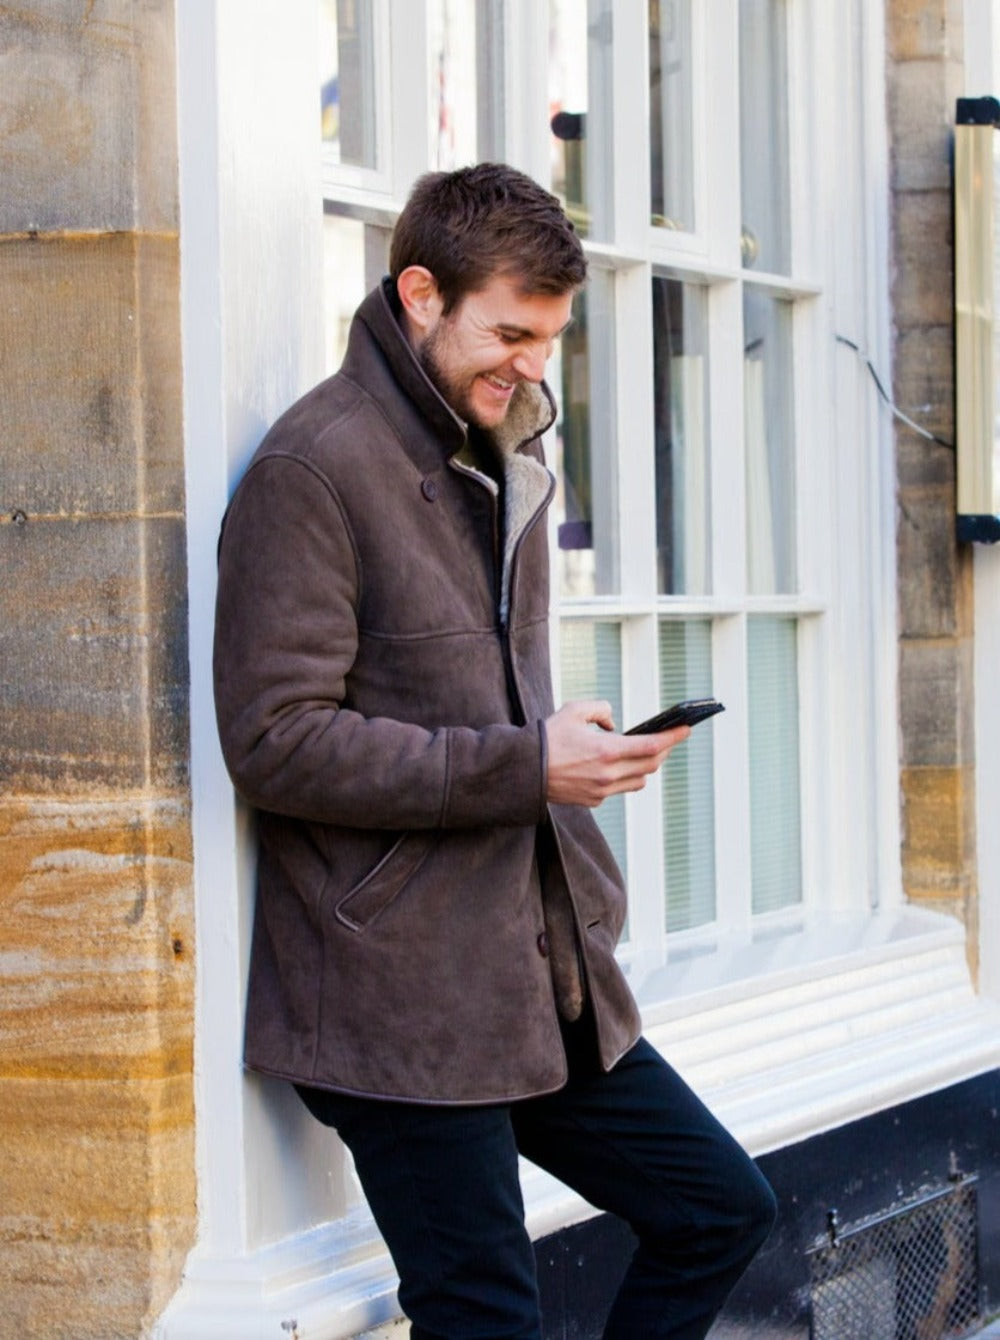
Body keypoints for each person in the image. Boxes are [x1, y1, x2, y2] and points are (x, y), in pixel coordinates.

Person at [213, 162, 775, 1340]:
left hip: (540, 968)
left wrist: (573, 758)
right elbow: (275, 741)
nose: (531, 363)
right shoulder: (309, 468)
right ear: (420, 293)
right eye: (510, 331)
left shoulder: (505, 445)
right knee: (484, 1315)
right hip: (396, 999)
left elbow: (484, 704)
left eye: (550, 336)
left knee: (719, 1208)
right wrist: (528, 767)